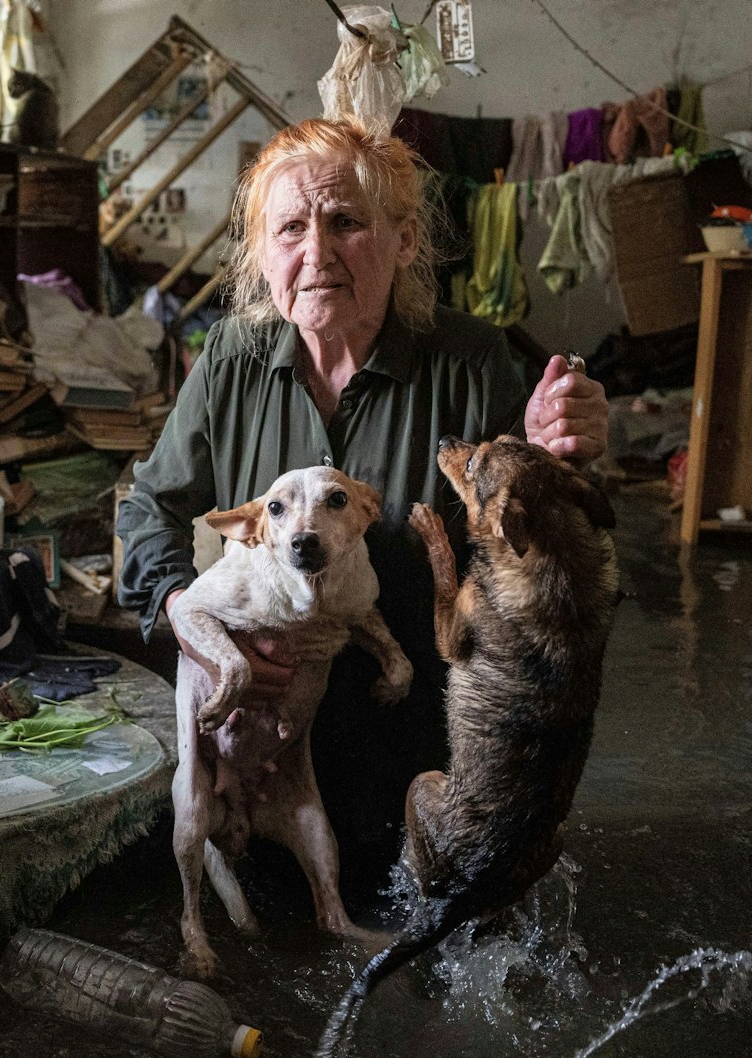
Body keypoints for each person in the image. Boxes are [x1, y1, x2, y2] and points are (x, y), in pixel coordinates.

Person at [116, 117, 609, 882]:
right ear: (262, 253)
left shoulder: (471, 361)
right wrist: (187, 618)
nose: (316, 253)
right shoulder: (232, 361)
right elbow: (150, 505)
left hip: (417, 751)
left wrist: (553, 456)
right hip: (265, 740)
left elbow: (552, 556)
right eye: (288, 229)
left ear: (405, 240)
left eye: (345, 222)